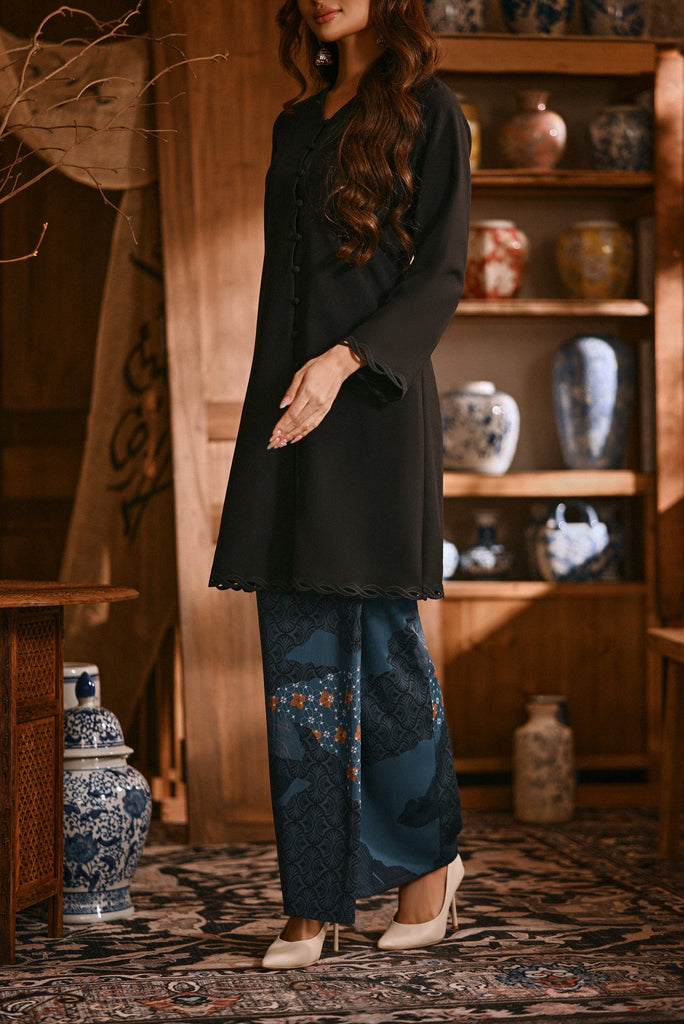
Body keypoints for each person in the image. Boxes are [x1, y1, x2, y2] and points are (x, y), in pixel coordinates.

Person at [210, 0, 471, 970]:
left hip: (371, 406)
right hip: (286, 405)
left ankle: (426, 868)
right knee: (300, 658)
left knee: (382, 644)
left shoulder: (432, 110)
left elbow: (442, 271)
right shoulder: (296, 122)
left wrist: (344, 359)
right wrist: (293, 379)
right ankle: (313, 898)